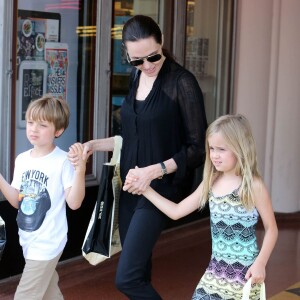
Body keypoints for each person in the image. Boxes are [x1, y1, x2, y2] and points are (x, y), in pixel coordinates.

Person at [69, 14, 207, 299]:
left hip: (161, 188)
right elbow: (132, 136)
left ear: (162, 43)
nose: (146, 66)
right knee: (141, 272)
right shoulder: (136, 78)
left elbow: (197, 149)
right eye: (137, 61)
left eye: (152, 57)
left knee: (127, 278)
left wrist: (153, 171)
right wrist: (95, 144)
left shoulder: (182, 83)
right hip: (130, 187)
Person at [125, 114, 278, 299]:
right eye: (211, 148)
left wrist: (260, 263)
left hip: (245, 275)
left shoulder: (253, 185)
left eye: (221, 149)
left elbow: (271, 229)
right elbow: (176, 211)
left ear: (240, 149)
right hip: (215, 272)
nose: (214, 155)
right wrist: (145, 190)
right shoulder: (211, 180)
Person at [0, 95, 87, 300]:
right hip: (28, 239)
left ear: (58, 130)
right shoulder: (22, 159)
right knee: (49, 293)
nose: (33, 129)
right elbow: (16, 201)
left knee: (25, 296)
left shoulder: (63, 161)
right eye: (30, 122)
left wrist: (80, 169)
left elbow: (74, 203)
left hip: (48, 242)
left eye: (42, 124)